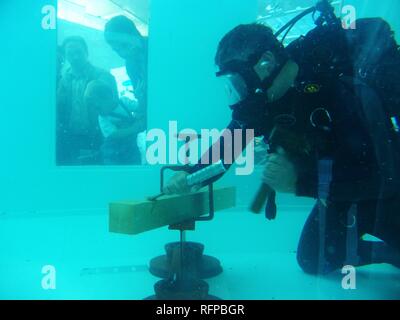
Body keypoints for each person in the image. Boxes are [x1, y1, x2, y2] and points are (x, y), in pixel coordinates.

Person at [163, 20, 400, 275]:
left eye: (239, 81)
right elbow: (226, 149)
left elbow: (383, 178)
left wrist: (298, 183)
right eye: (232, 85)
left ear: (266, 62)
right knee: (313, 259)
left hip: (387, 191)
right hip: (342, 190)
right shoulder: (264, 102)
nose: (239, 95)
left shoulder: (338, 91)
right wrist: (190, 175)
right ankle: (389, 254)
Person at [57, 36, 118, 165]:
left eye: (79, 52)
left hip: (99, 138)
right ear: (66, 56)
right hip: (72, 138)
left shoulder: (104, 76)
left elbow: (112, 105)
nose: (75, 57)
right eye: (70, 54)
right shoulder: (63, 80)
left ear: (87, 52)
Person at [104, 16, 148, 143]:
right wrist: (141, 98)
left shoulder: (157, 48)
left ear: (133, 34)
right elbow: (142, 98)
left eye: (124, 45)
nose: (122, 53)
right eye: (116, 50)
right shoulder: (130, 63)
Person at [84, 80, 146, 165]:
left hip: (131, 147)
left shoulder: (123, 102)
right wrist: (134, 129)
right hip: (112, 152)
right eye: (93, 108)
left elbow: (141, 108)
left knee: (134, 164)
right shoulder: (102, 118)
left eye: (97, 107)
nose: (96, 111)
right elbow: (114, 134)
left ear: (109, 97)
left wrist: (139, 97)